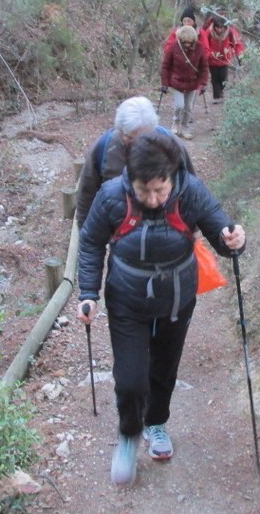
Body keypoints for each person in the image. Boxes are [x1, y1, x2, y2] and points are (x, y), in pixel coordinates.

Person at [76, 133, 246, 486]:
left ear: (172, 175)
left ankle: (156, 423)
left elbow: (221, 232)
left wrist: (234, 241)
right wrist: (88, 293)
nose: (153, 199)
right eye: (144, 190)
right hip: (127, 300)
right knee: (132, 378)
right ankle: (128, 435)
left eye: (160, 189)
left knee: (164, 369)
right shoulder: (111, 198)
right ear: (130, 179)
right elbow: (91, 242)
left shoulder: (192, 192)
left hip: (176, 299)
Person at [75, 96, 194, 227]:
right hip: (117, 230)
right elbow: (87, 195)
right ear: (119, 130)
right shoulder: (103, 148)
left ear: (153, 129)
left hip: (164, 227)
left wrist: (191, 228)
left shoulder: (171, 145)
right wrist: (84, 230)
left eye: (144, 137)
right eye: (130, 138)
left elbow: (191, 188)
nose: (137, 144)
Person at [160, 24, 208, 140]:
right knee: (179, 106)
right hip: (177, 82)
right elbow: (166, 66)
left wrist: (203, 83)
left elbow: (204, 67)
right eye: (184, 42)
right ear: (180, 39)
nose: (187, 44)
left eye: (189, 42)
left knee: (188, 108)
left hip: (192, 83)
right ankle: (175, 123)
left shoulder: (199, 48)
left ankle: (185, 127)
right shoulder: (173, 47)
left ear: (193, 40)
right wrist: (165, 83)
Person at [199, 13, 245, 103]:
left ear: (225, 27)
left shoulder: (230, 32)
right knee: (214, 78)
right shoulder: (209, 32)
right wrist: (205, 56)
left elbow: (237, 44)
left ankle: (222, 93)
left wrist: (239, 55)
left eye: (222, 28)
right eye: (217, 27)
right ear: (214, 26)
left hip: (224, 59)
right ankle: (216, 97)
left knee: (223, 77)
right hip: (212, 59)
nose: (220, 30)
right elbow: (205, 45)